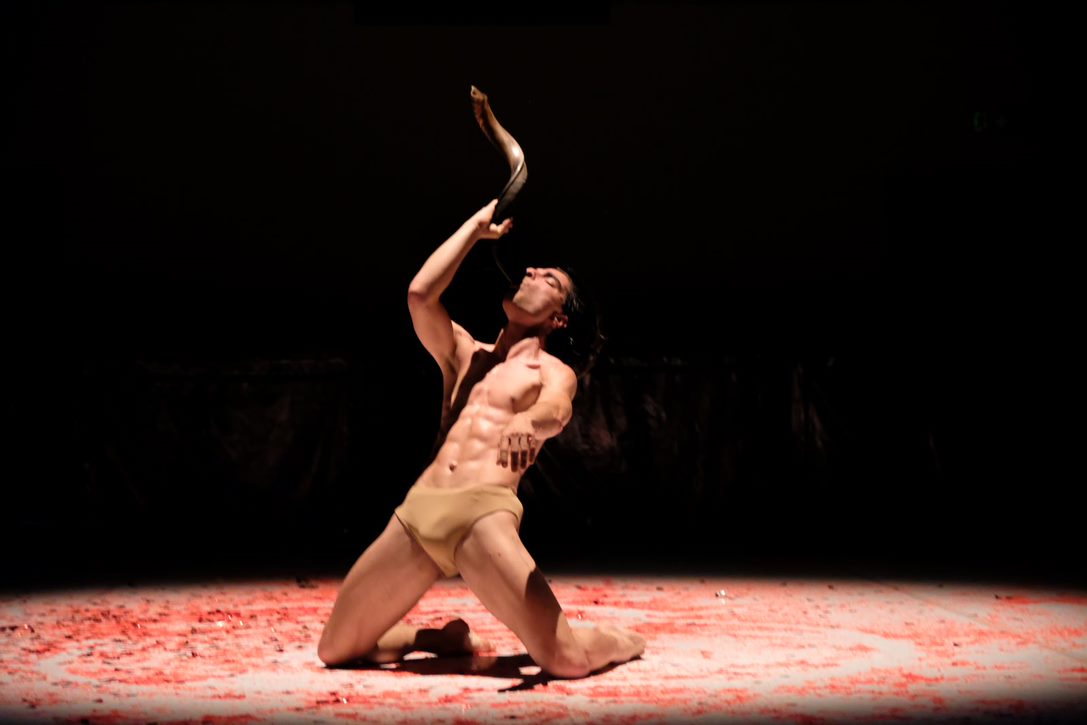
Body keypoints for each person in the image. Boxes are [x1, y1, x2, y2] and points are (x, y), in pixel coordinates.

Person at [317, 199, 645, 679]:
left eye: (549, 280)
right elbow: (419, 295)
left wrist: (529, 422)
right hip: (420, 510)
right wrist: (474, 229)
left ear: (558, 319)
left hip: (482, 515)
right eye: (533, 270)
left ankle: (620, 640)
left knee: (565, 660)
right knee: (335, 649)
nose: (531, 272)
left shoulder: (550, 370)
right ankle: (435, 639)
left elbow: (557, 410)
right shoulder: (465, 353)